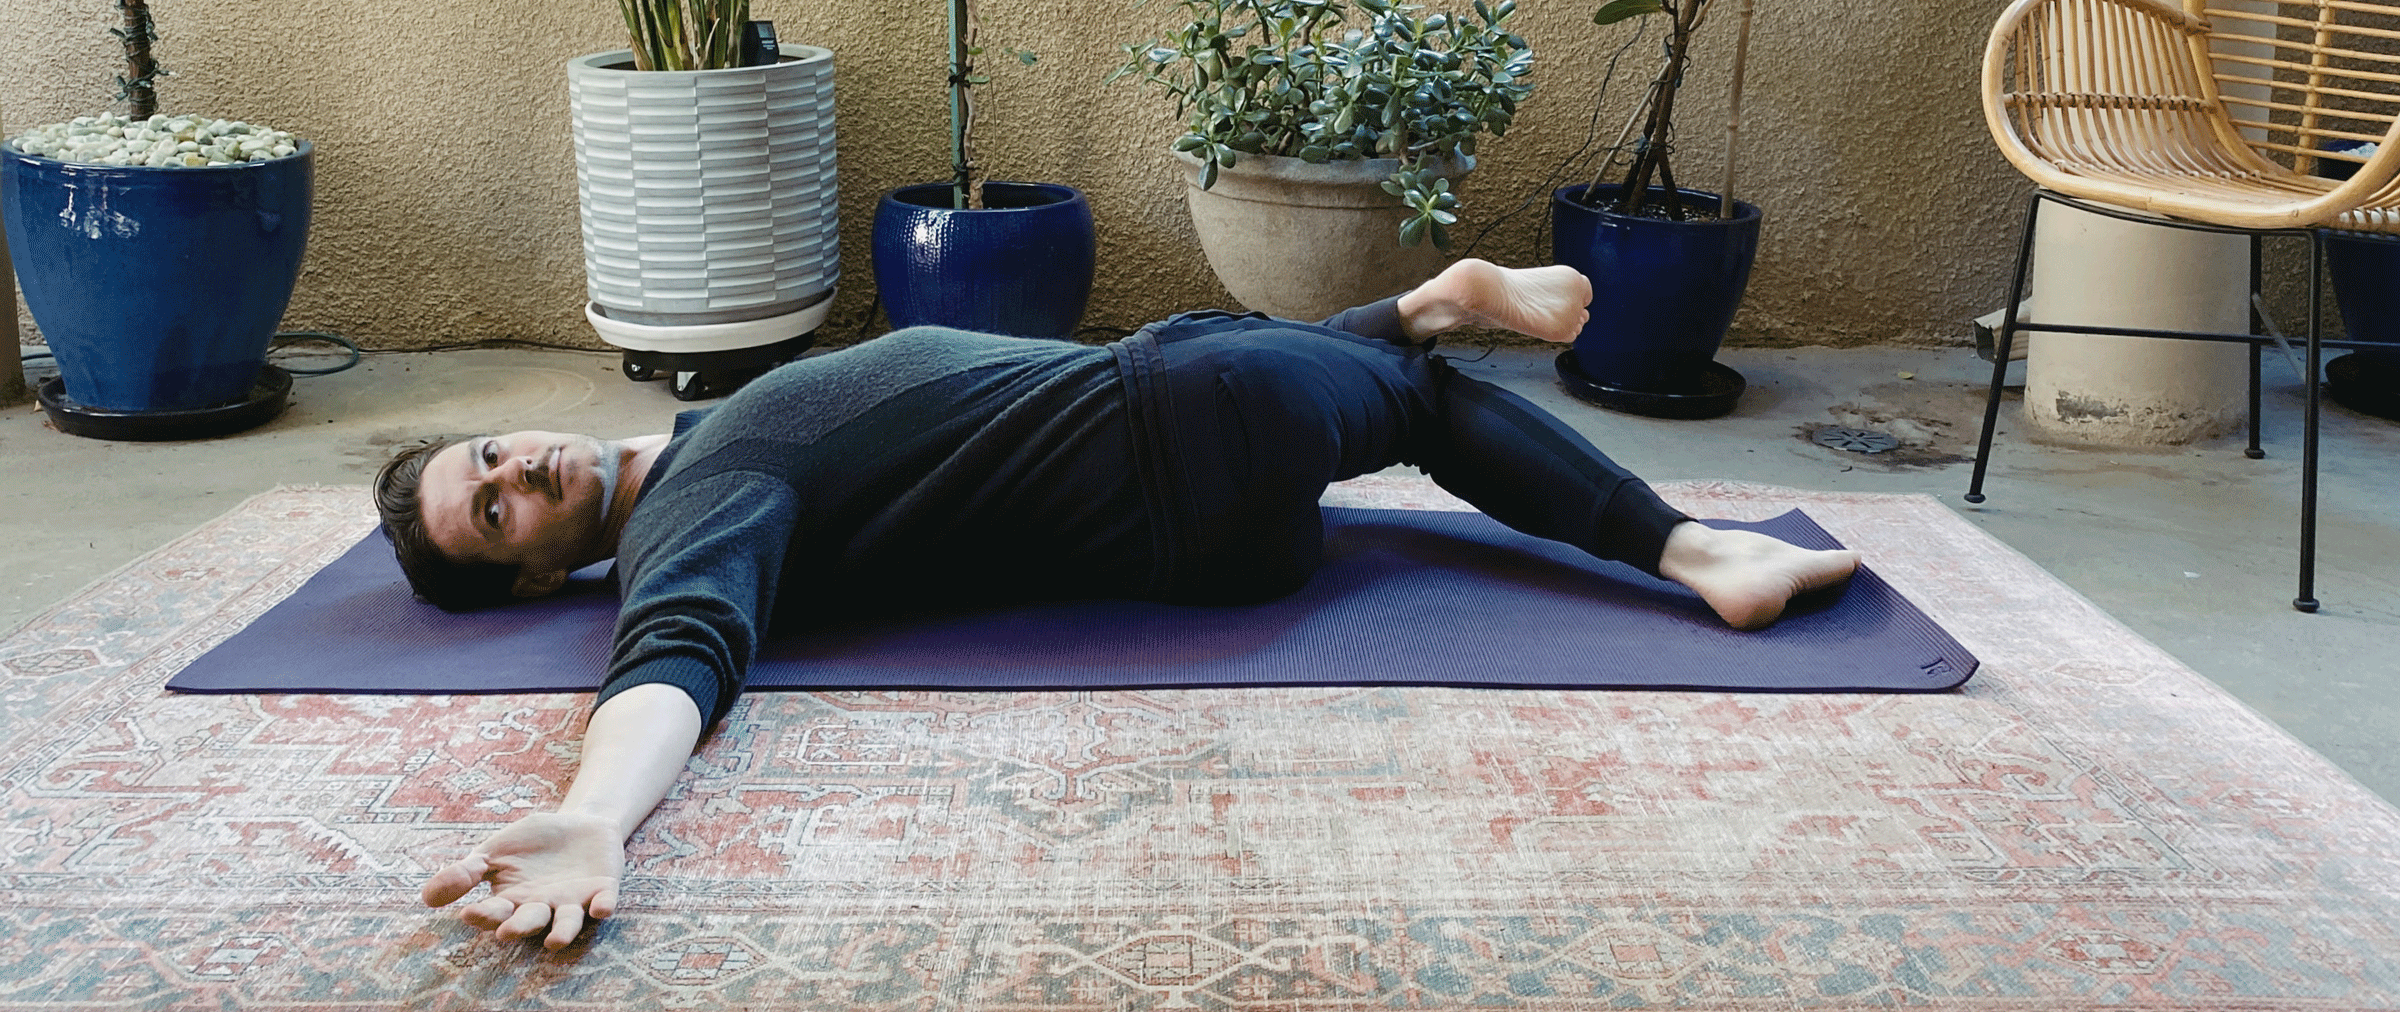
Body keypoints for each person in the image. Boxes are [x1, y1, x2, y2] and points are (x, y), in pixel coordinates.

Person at [374, 258, 1857, 949]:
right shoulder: (691, 505)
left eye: (489, 451)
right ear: (525, 570)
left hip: (1187, 485)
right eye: (494, 508)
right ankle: (1688, 546)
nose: (520, 469)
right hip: (1171, 426)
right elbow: (678, 651)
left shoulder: (688, 445)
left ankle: (1401, 317)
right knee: (1411, 394)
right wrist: (592, 811)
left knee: (1332, 383)